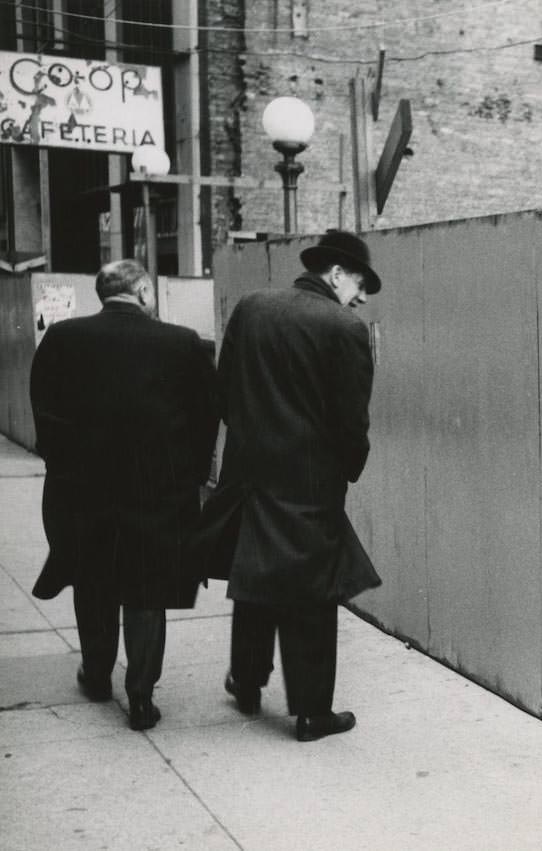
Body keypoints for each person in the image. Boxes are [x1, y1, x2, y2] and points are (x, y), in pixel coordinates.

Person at [194, 229, 382, 742]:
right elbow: (350, 423)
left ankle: (248, 682)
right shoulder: (344, 328)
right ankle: (311, 712)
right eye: (360, 284)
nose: (362, 297)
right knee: (312, 595)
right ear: (337, 273)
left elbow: (226, 393)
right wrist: (348, 466)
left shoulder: (251, 308)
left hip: (249, 474)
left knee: (254, 579)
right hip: (308, 482)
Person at [30, 259, 218, 731]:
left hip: (82, 489)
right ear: (144, 292)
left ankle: (96, 674)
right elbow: (206, 417)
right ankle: (140, 696)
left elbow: (44, 413)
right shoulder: (182, 344)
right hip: (157, 491)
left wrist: (64, 466)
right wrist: (191, 476)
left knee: (92, 579)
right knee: (146, 589)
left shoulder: (62, 338)